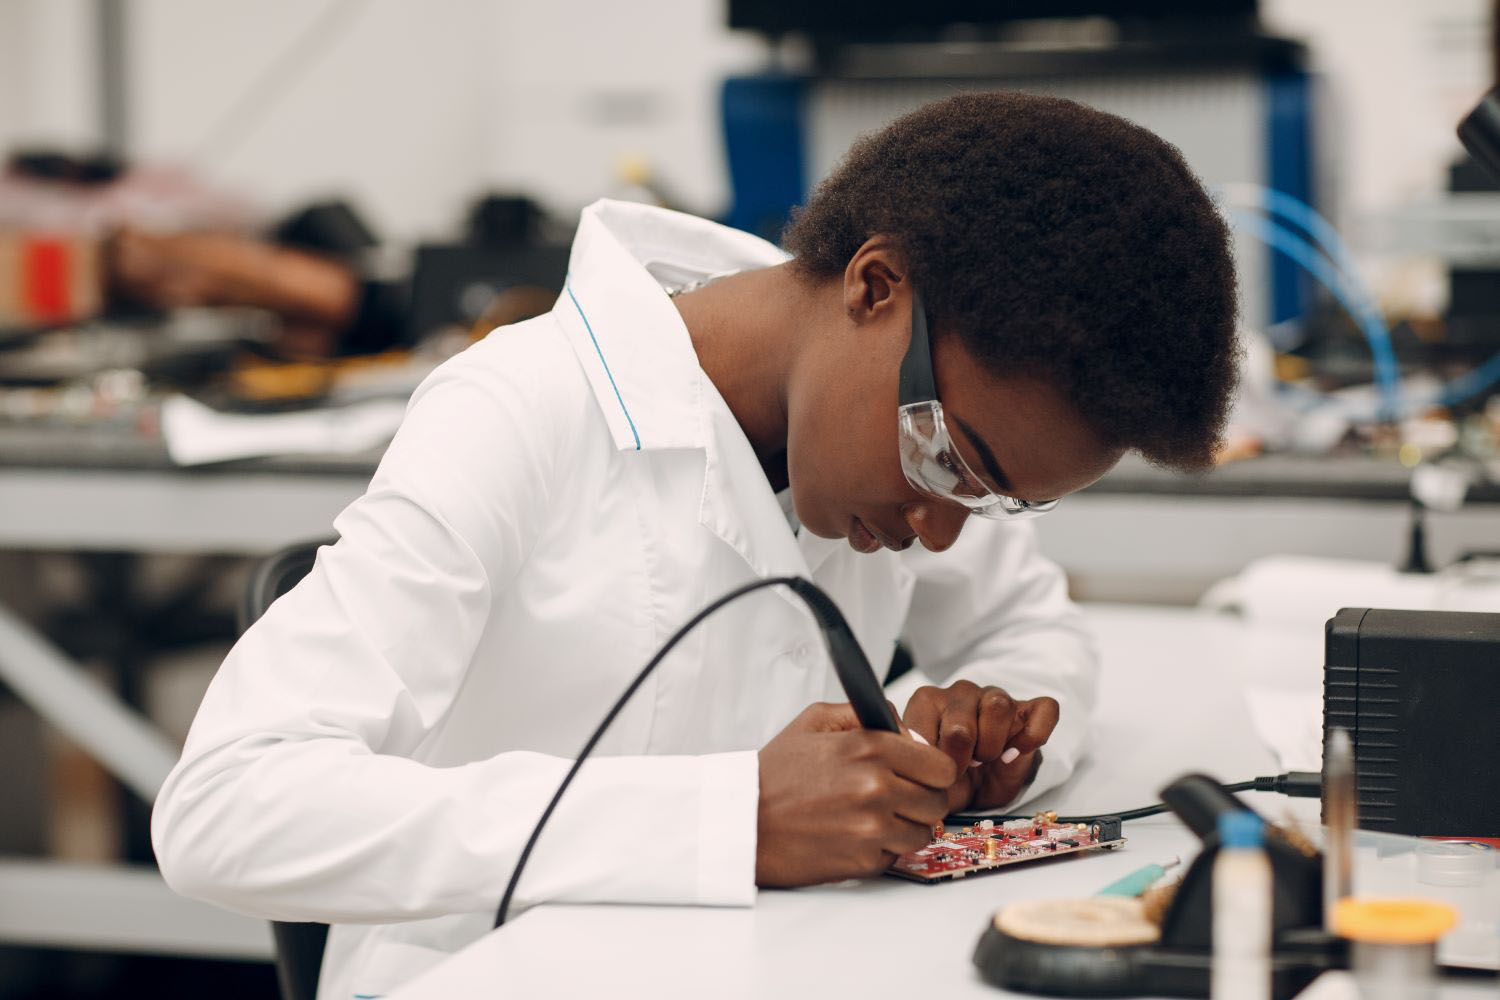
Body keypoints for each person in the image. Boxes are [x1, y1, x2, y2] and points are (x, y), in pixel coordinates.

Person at [152, 92, 1238, 999]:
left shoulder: (902, 432)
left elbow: (1031, 623)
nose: (943, 526)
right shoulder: (519, 410)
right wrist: (728, 819)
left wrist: (999, 710)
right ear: (874, 287)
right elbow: (228, 808)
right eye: (955, 462)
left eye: (999, 501)